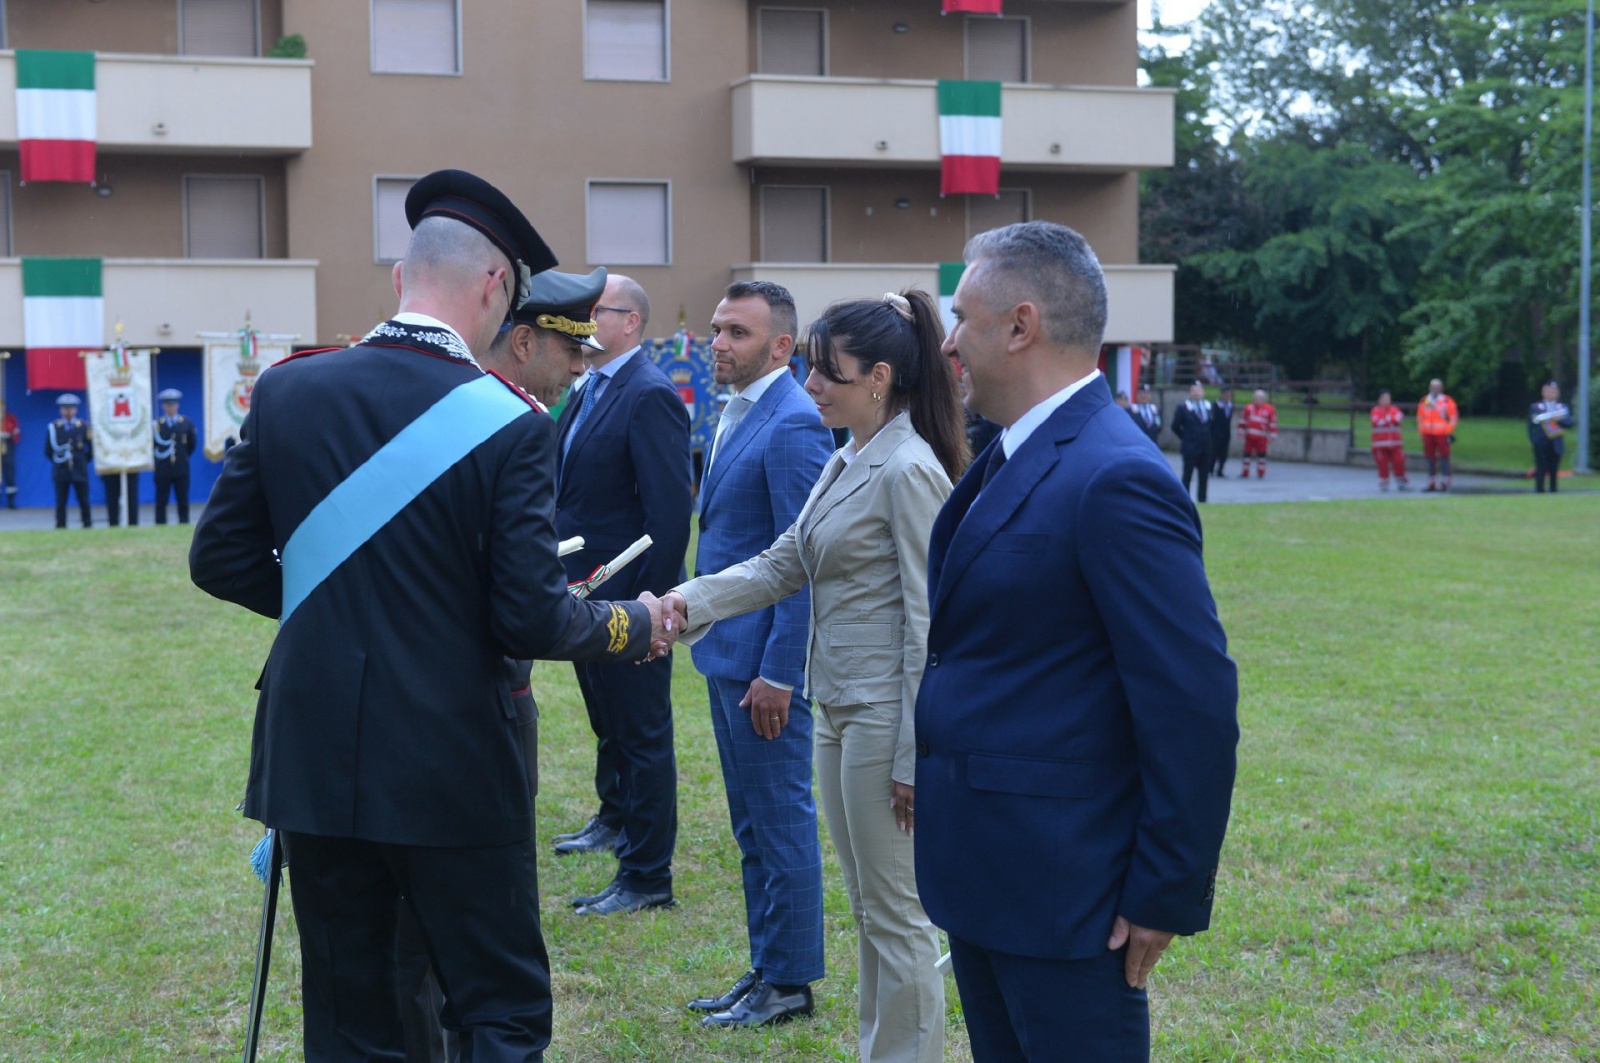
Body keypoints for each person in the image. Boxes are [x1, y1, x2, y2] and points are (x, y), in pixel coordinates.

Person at [188, 169, 673, 1059]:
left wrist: (333, 608)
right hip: (453, 759)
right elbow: (529, 617)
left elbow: (216, 559)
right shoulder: (510, 419)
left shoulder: (293, 388)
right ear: (496, 286)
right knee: (498, 1007)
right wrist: (636, 625)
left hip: (314, 750)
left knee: (347, 1013)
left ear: (402, 277)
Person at [921, 221, 1238, 1059]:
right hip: (991, 870)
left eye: (962, 316)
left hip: (1068, 892)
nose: (950, 342)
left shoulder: (1115, 474)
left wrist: (1165, 890)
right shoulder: (1010, 454)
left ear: (1020, 325)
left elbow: (1192, 702)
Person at [666, 289, 966, 1058]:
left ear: (878, 376)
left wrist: (911, 755)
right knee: (871, 908)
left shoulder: (908, 468)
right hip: (836, 706)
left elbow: (931, 625)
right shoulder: (847, 456)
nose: (809, 389)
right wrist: (682, 602)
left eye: (825, 374)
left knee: (896, 915)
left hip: (881, 716)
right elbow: (781, 564)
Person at [674, 280, 833, 1028]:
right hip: (729, 655)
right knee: (752, 825)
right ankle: (770, 965)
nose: (718, 343)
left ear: (780, 347)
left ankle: (791, 982)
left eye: (736, 332)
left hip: (765, 669)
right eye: (715, 328)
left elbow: (802, 562)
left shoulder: (796, 423)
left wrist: (780, 671)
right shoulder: (740, 410)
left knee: (779, 819)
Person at [551, 273, 692, 916]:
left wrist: (650, 614)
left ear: (630, 321)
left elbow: (667, 518)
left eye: (594, 312)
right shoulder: (590, 386)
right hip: (584, 594)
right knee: (606, 720)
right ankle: (614, 818)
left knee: (640, 731)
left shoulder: (649, 394)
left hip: (629, 602)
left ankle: (645, 874)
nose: (583, 324)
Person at [45, 394, 93, 528]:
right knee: (61, 501)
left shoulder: (84, 427)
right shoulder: (54, 427)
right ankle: (60, 526)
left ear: (76, 409)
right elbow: (48, 451)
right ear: (61, 410)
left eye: (71, 408)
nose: (68, 411)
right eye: (65, 408)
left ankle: (87, 525)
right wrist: (59, 461)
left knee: (84, 500)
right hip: (61, 470)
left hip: (79, 469)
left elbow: (91, 450)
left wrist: (83, 461)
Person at [152, 388, 198, 524]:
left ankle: (183, 523)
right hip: (163, 468)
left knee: (182, 498)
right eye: (168, 404)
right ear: (163, 406)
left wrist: (182, 457)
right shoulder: (157, 425)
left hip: (181, 467)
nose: (171, 407)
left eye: (173, 404)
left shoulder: (186, 423)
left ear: (177, 405)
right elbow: (152, 446)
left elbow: (191, 445)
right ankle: (160, 524)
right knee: (161, 499)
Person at [1171, 381, 1214, 503]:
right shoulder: (1184, 407)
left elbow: (1212, 425)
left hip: (1205, 447)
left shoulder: (1208, 406)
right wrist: (1185, 437)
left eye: (1199, 390)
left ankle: (1202, 500)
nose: (1196, 392)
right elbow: (1175, 426)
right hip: (1190, 447)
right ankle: (1185, 501)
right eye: (1194, 390)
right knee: (1187, 476)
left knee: (1204, 476)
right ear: (1190, 392)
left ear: (1203, 392)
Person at [1528, 381, 1574, 494]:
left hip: (1556, 442)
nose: (1551, 393)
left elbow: (1569, 423)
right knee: (1541, 468)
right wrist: (1534, 441)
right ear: (1543, 392)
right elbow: (1531, 425)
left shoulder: (1562, 407)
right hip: (1541, 442)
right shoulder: (1536, 407)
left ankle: (1553, 490)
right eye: (1548, 391)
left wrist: (1559, 420)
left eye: (1553, 391)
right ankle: (1539, 490)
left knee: (1554, 469)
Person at [1417, 378, 1458, 492]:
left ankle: (1445, 481)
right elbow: (1420, 417)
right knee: (1430, 458)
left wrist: (1447, 430)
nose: (1435, 389)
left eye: (1437, 387)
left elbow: (1453, 418)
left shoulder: (1447, 401)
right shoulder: (1425, 401)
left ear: (1441, 388)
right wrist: (1422, 431)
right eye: (1433, 387)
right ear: (1430, 388)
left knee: (1444, 457)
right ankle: (1431, 482)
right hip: (1427, 434)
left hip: (1442, 434)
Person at [1369, 390, 1410, 491]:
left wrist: (1388, 420)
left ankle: (1401, 482)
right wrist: (1390, 420)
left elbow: (1399, 418)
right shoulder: (1375, 410)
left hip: (1395, 443)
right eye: (1384, 398)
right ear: (1379, 400)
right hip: (1380, 444)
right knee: (1382, 464)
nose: (1386, 400)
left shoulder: (1395, 409)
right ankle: (1384, 483)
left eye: (1388, 398)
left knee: (1399, 462)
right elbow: (1377, 421)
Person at [1238, 389, 1278, 479]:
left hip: (1262, 437)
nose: (1257, 399)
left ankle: (1261, 472)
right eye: (1255, 397)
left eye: (1259, 398)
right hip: (1249, 436)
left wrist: (1273, 435)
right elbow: (1243, 420)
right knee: (1246, 454)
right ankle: (1245, 472)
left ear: (1263, 399)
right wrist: (1241, 430)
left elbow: (1273, 423)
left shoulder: (1269, 409)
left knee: (1262, 455)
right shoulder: (1248, 407)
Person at [1210, 386, 1235, 477]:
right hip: (1216, 432)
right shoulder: (1216, 404)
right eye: (1226, 394)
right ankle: (1211, 469)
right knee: (1214, 451)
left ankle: (1220, 470)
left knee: (1224, 453)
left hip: (1226, 433)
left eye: (1229, 394)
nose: (1227, 396)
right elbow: (1212, 419)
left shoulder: (1230, 405)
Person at [1, 407, 19, 508]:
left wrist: (8, 435)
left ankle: (11, 502)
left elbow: (16, 435)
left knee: (9, 475)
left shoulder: (10, 418)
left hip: (8, 447)